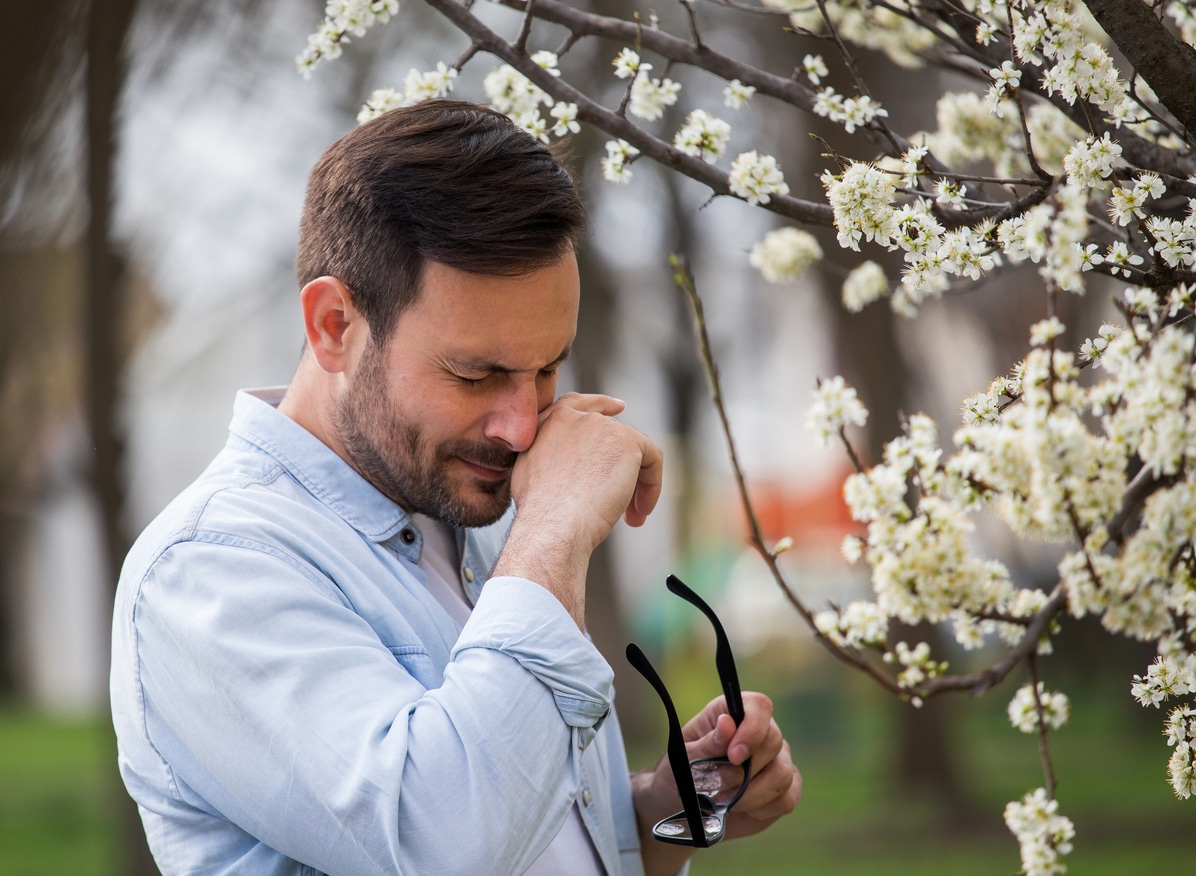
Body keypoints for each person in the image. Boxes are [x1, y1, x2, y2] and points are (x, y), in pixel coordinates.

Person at [110, 99, 800, 876]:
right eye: (476, 374)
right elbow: (446, 845)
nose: (520, 424)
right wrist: (555, 532)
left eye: (547, 369)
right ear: (335, 324)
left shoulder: (475, 516)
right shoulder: (210, 569)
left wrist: (655, 812)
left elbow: (523, 830)